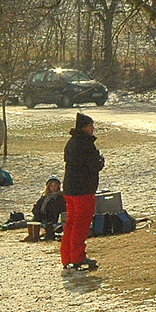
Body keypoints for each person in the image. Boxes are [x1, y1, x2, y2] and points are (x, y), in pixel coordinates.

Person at [61, 113, 104, 271]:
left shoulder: (71, 142)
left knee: (71, 223)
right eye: (91, 126)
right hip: (83, 190)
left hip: (70, 188)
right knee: (81, 224)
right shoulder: (86, 144)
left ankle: (67, 257)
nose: (93, 128)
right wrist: (101, 161)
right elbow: (94, 165)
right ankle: (78, 257)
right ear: (84, 128)